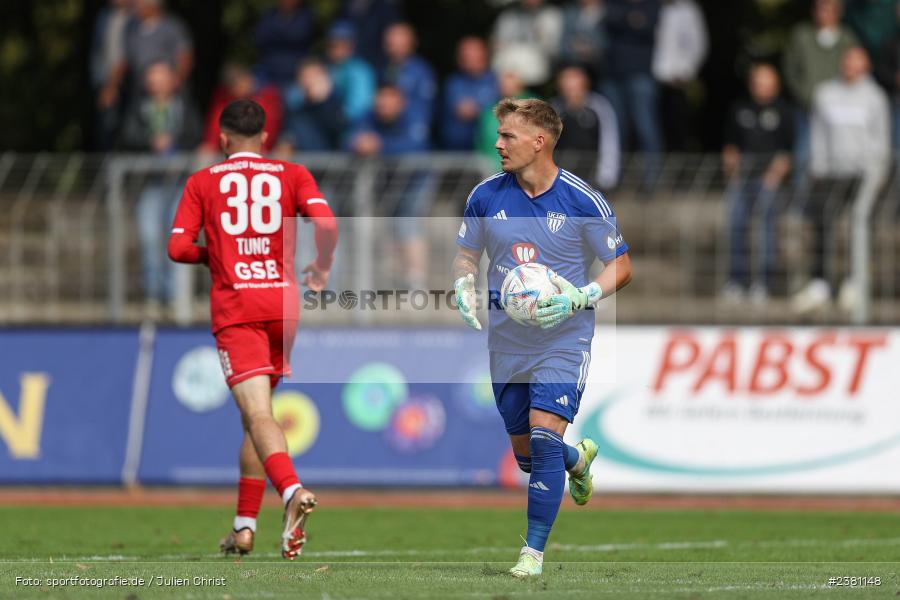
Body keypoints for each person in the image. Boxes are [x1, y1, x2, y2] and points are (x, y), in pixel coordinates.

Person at [452, 99, 632, 577]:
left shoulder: (581, 200)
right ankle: (579, 458)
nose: (497, 144)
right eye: (498, 135)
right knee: (530, 457)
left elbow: (622, 265)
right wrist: (464, 281)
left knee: (544, 437)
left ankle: (531, 554)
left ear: (540, 141)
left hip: (565, 335)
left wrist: (582, 296)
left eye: (507, 136)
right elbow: (467, 254)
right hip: (507, 341)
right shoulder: (486, 196)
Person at [168, 99, 338, 559]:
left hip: (238, 306)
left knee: (260, 415)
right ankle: (244, 526)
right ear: (264, 138)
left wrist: (214, 256)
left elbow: (177, 248)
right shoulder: (292, 173)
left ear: (222, 139)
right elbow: (326, 223)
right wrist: (320, 268)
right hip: (282, 304)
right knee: (255, 418)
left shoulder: (203, 180)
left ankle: (291, 492)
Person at [792, 46, 891, 314]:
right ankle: (820, 283)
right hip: (831, 171)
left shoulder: (875, 97)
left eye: (857, 62)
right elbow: (818, 133)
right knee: (822, 223)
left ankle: (855, 281)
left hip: (863, 173)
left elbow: (881, 137)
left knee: (860, 226)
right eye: (848, 61)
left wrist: (879, 170)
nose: (851, 67)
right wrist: (818, 165)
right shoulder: (825, 94)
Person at [118, 61, 202, 308]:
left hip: (178, 183)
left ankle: (176, 294)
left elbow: (195, 135)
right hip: (150, 184)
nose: (157, 83)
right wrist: (149, 143)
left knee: (178, 236)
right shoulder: (138, 108)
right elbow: (127, 137)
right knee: (150, 235)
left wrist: (175, 143)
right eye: (152, 78)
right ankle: (154, 293)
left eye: (162, 77)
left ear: (173, 81)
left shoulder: (184, 107)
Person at [721, 64, 793, 304]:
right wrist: (733, 173)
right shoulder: (740, 109)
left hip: (769, 180)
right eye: (758, 81)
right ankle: (736, 281)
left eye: (767, 81)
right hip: (742, 179)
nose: (762, 86)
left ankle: (763, 282)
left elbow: (787, 151)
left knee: (766, 232)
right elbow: (730, 146)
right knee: (736, 229)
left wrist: (774, 176)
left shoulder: (783, 111)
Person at [350, 85, 433, 289]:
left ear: (400, 102)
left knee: (408, 227)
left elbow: (415, 148)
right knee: (389, 232)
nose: (384, 105)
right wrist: (357, 143)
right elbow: (350, 138)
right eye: (381, 99)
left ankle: (416, 285)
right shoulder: (368, 117)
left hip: (415, 182)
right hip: (387, 183)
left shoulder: (414, 117)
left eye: (389, 100)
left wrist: (380, 145)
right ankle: (395, 284)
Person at [783, 0, 859, 183]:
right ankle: (800, 204)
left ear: (838, 12)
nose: (823, 12)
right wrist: (804, 95)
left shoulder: (847, 38)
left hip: (839, 111)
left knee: (840, 155)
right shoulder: (801, 35)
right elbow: (790, 70)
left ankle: (835, 202)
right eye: (820, 7)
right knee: (803, 154)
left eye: (829, 8)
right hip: (806, 107)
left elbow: (854, 68)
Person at [600, 0, 663, 188]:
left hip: (640, 73)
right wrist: (630, 21)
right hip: (611, 75)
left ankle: (651, 178)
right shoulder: (613, 5)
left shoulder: (653, 5)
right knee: (616, 129)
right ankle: (614, 178)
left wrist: (622, 20)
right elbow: (611, 20)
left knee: (645, 126)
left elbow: (647, 26)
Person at [99, 0, 194, 113]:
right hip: (140, 96)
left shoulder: (173, 27)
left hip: (170, 98)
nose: (135, 7)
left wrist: (175, 81)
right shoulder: (131, 29)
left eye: (139, 4)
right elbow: (124, 61)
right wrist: (112, 86)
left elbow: (185, 57)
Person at [551, 65, 620, 190]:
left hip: (593, 178)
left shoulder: (599, 107)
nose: (571, 92)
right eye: (567, 87)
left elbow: (609, 141)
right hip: (560, 179)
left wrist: (607, 176)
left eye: (575, 87)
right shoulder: (554, 109)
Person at [653, 0, 708, 151]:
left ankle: (678, 167)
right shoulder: (652, 6)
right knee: (654, 127)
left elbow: (699, 45)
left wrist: (685, 72)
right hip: (653, 78)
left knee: (679, 127)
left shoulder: (689, 10)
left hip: (679, 80)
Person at [200, 63, 283, 155]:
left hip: (267, 153)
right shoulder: (223, 106)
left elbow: (281, 130)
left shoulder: (269, 97)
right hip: (233, 157)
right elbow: (211, 141)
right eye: (235, 83)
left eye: (243, 80)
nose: (243, 85)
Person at [380, 23, 437, 144]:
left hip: (411, 135)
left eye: (395, 40)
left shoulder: (421, 71)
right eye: (388, 41)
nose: (390, 44)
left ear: (409, 42)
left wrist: (396, 110)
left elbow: (425, 111)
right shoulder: (384, 69)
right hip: (385, 131)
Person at [441, 37, 499, 150]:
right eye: (464, 52)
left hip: (488, 150)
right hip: (455, 149)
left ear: (484, 53)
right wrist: (484, 109)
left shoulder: (496, 81)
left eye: (473, 51)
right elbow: (463, 111)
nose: (468, 56)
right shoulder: (453, 82)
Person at [90, 0, 134, 150]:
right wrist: (101, 83)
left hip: (128, 86)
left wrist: (112, 85)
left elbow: (128, 56)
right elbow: (97, 53)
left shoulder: (136, 16)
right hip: (105, 84)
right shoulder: (104, 16)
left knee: (126, 132)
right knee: (106, 131)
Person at [279, 59, 346, 153]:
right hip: (304, 163)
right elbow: (289, 136)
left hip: (333, 164)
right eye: (304, 77)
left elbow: (339, 132)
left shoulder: (337, 103)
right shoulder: (296, 111)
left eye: (312, 76)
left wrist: (321, 101)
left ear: (325, 78)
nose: (308, 82)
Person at [492, 0, 564, 86]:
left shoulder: (551, 15)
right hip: (511, 67)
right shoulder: (509, 16)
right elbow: (499, 42)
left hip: (540, 65)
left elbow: (552, 49)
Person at [475, 70, 536, 168]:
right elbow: (480, 141)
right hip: (492, 169)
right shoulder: (488, 111)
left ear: (520, 86)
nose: (506, 88)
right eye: (503, 85)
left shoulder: (533, 107)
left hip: (524, 169)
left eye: (510, 85)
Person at [254, 0, 316, 89]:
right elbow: (260, 37)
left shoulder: (306, 15)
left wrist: (275, 32)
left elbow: (298, 35)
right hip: (268, 71)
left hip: (294, 74)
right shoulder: (269, 14)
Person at [325, 20, 376, 127]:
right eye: (333, 44)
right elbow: (295, 98)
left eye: (342, 43)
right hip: (328, 124)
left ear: (351, 46)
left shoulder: (360, 70)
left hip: (354, 128)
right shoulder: (325, 67)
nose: (337, 48)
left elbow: (359, 108)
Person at [559, 0, 607, 80]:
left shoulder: (609, 11)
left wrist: (592, 50)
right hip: (577, 65)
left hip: (604, 68)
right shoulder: (570, 12)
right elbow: (564, 42)